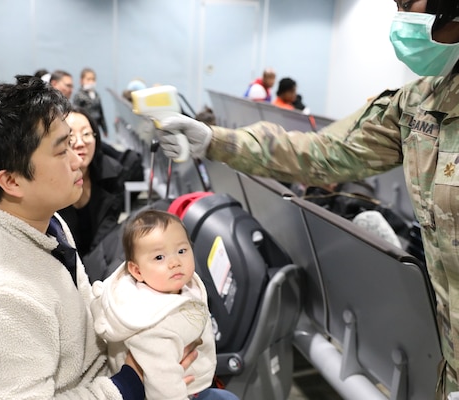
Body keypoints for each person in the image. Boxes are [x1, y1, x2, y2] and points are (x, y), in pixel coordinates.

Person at [157, 1, 459, 397]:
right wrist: (216, 140)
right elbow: (325, 152)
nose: (401, 17)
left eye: (408, 2)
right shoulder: (421, 101)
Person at [0, 75, 202, 399]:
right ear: (12, 182)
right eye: (62, 152)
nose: (78, 160)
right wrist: (131, 382)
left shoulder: (43, 219)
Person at [90, 209, 238, 400]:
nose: (175, 262)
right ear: (137, 271)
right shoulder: (150, 322)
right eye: (159, 257)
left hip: (189, 378)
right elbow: (163, 384)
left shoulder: (174, 286)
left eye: (182, 251)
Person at [57, 107, 124, 259]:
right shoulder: (49, 179)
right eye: (71, 136)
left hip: (101, 259)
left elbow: (108, 230)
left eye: (86, 134)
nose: (80, 143)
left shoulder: (112, 174)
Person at [73, 67, 109, 137]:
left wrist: (105, 129)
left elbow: (101, 113)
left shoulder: (96, 95)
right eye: (88, 79)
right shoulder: (79, 96)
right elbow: (75, 113)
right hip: (84, 127)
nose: (91, 82)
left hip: (96, 126)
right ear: (81, 80)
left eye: (93, 79)